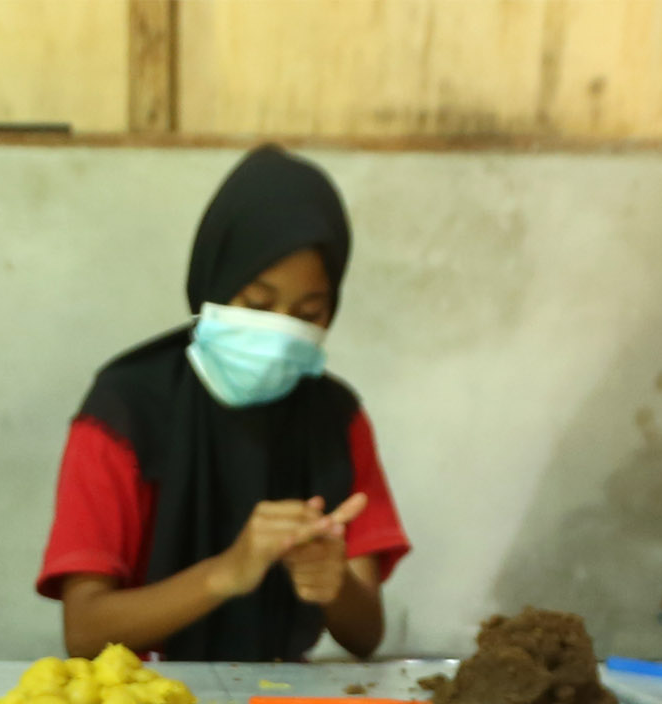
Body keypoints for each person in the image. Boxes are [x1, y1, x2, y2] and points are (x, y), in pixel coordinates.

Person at [37, 145, 410, 664]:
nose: (280, 333)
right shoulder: (124, 411)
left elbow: (365, 636)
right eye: (257, 304)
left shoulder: (337, 419)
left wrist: (332, 581)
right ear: (213, 282)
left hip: (281, 695)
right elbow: (84, 632)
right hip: (144, 694)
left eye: (309, 313)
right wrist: (226, 573)